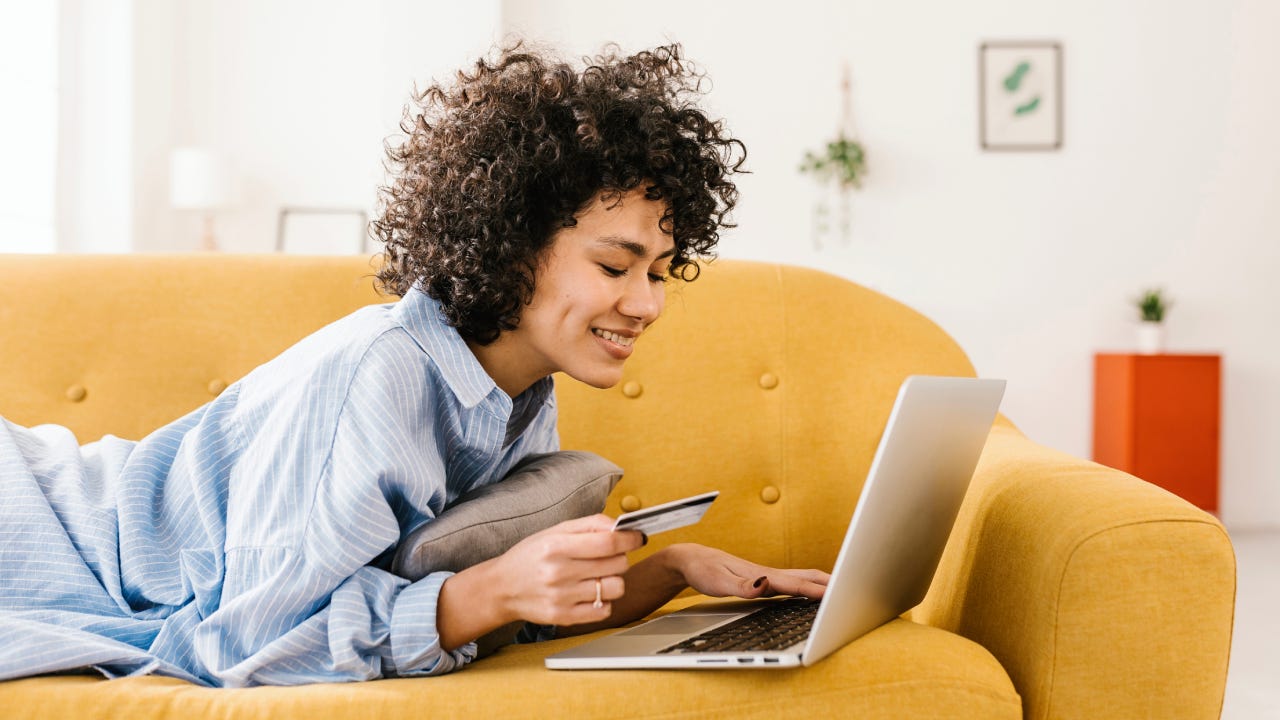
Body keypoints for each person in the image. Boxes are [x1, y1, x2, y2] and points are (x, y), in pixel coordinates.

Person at [0, 42, 828, 688]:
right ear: (511, 246)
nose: (647, 304)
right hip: (36, 527)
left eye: (658, 270)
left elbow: (495, 613)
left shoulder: (517, 393)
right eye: (616, 267)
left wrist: (672, 573)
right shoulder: (380, 375)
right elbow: (240, 650)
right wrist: (488, 591)